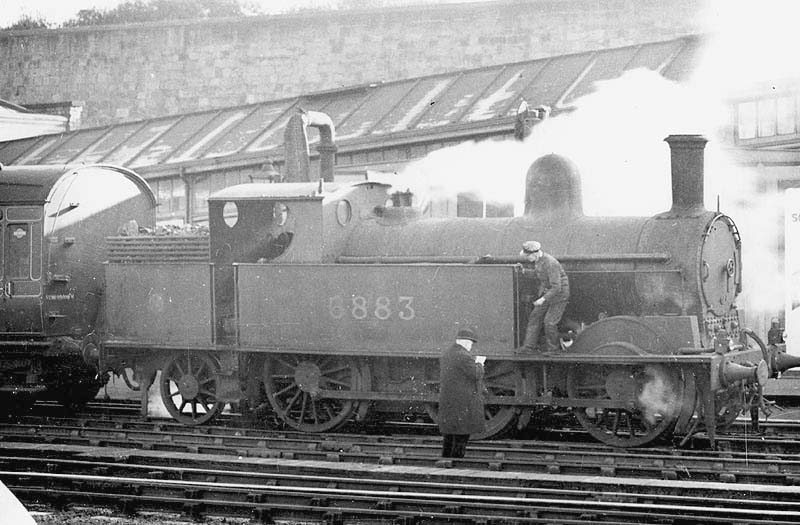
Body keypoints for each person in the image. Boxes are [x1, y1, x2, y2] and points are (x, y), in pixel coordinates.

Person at [438, 328, 485, 458]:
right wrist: (480, 364)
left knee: (449, 434)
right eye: (470, 343)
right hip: (463, 402)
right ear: (465, 342)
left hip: (450, 400)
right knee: (462, 433)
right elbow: (476, 374)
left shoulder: (447, 354)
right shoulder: (464, 356)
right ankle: (457, 460)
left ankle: (446, 459)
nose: (471, 346)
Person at [519, 240, 569, 353]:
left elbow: (557, 287)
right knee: (535, 317)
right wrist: (524, 271)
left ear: (534, 253)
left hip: (559, 295)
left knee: (549, 322)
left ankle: (554, 349)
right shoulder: (539, 260)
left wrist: (542, 299)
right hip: (548, 293)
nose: (527, 259)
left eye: (528, 257)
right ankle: (528, 347)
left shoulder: (551, 263)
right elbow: (539, 274)